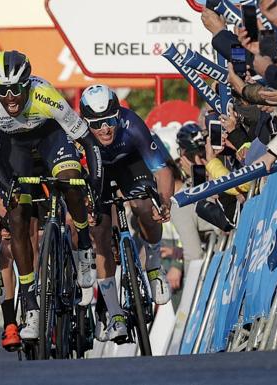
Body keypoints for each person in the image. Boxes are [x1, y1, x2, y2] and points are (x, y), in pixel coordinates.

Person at [0, 50, 103, 340]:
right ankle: (30, 302)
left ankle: (82, 243)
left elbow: (87, 140)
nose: (10, 97)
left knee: (71, 182)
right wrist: (9, 187)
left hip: (49, 137)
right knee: (17, 217)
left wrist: (93, 184)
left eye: (16, 89)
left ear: (28, 84)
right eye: (3, 90)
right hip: (13, 149)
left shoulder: (46, 95)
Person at [78, 85, 174, 341]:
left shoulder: (132, 124)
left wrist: (163, 203)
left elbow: (163, 170)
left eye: (110, 121)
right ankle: (114, 313)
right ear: (86, 122)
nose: (105, 129)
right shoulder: (77, 135)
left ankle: (153, 265)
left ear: (118, 115)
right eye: (97, 124)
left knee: (144, 205)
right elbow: (75, 185)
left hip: (130, 163)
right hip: (96, 171)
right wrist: (85, 209)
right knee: (99, 231)